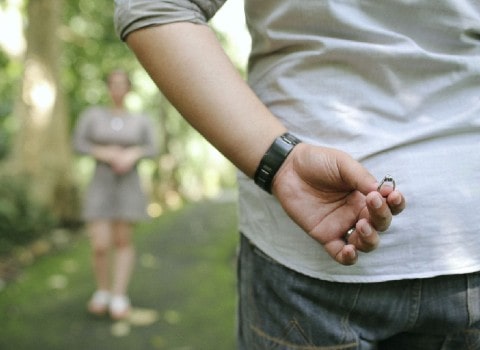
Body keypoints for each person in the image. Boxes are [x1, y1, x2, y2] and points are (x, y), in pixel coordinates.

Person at [114, 1, 480, 348]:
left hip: (300, 255)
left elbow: (154, 7)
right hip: (460, 229)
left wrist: (280, 161)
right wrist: (283, 166)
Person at [72, 69, 158, 320]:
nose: (117, 88)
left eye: (122, 84)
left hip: (128, 186)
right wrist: (104, 153)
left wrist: (134, 154)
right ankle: (103, 290)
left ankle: (119, 294)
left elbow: (152, 148)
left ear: (129, 88)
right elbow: (78, 143)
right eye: (113, 83)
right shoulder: (93, 116)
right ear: (108, 87)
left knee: (123, 241)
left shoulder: (140, 120)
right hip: (101, 184)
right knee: (100, 244)